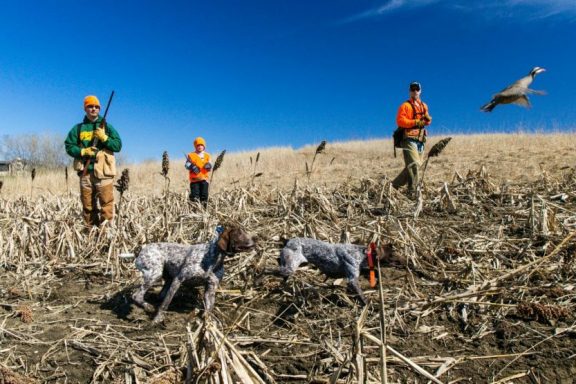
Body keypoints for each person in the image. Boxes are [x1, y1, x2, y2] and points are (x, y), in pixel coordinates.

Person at [64, 95, 122, 226]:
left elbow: (118, 146)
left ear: (100, 109)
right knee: (88, 207)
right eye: (90, 106)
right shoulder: (78, 128)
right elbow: (68, 146)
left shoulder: (107, 127)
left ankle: (106, 236)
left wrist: (104, 138)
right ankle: (90, 235)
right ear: (85, 108)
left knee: (107, 206)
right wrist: (83, 151)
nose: (93, 109)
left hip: (104, 173)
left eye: (96, 107)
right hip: (85, 174)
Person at [392, 81, 432, 196]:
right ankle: (413, 192)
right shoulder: (405, 106)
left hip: (421, 139)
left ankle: (393, 187)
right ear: (409, 91)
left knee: (416, 166)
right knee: (413, 165)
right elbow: (400, 121)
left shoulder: (424, 106)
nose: (415, 91)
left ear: (420, 91)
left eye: (417, 89)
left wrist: (428, 120)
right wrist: (416, 122)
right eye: (412, 89)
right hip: (408, 138)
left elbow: (426, 121)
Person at [186, 137, 212, 206]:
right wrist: (192, 167)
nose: (200, 147)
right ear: (195, 146)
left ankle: (203, 211)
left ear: (204, 146)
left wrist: (209, 166)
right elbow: (187, 165)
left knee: (204, 196)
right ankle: (195, 210)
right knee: (195, 197)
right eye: (198, 145)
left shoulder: (207, 155)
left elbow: (210, 165)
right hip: (194, 181)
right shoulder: (191, 155)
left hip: (204, 180)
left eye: (201, 145)